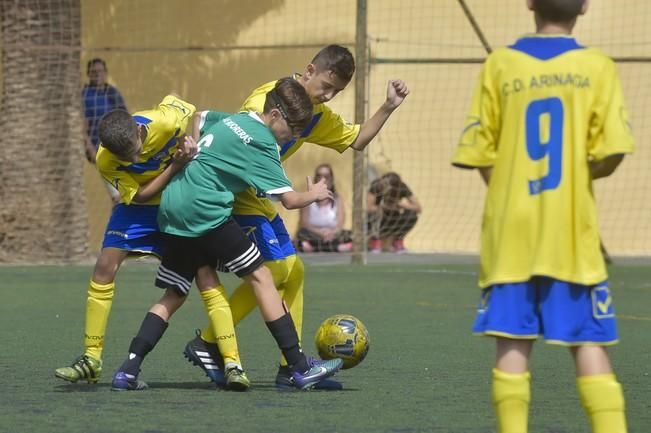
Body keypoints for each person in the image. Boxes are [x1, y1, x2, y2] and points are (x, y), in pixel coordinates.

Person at [451, 1, 633, 432]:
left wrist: (515, 186)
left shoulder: (499, 65)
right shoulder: (598, 66)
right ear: (585, 6)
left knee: (513, 344)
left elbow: (481, 155)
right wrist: (575, 175)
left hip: (510, 232)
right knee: (589, 341)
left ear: (529, 2)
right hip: (570, 234)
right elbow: (612, 152)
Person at [182, 45, 409, 390]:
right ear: (309, 70)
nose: (329, 96)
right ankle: (212, 343)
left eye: (337, 92)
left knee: (294, 270)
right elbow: (239, 143)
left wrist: (389, 106)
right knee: (276, 269)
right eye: (326, 86)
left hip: (258, 197)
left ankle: (291, 367)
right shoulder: (267, 99)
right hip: (235, 193)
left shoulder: (317, 114)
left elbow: (359, 139)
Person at [110, 78, 343, 391]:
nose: (293, 136)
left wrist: (195, 156)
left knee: (175, 294)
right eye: (293, 129)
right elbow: (288, 200)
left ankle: (127, 370)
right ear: (275, 115)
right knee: (262, 278)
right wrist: (314, 192)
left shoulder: (238, 118)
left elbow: (201, 116)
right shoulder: (264, 144)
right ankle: (298, 368)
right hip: (205, 212)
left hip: (173, 206)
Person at [54, 94, 197, 385]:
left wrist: (191, 149)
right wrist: (175, 166)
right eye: (126, 158)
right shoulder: (104, 158)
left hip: (174, 204)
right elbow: (140, 195)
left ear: (138, 131)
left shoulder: (166, 120)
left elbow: (192, 111)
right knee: (104, 268)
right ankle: (92, 358)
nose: (133, 160)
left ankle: (227, 357)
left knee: (191, 282)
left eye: (135, 150)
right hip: (136, 211)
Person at [296, 163, 352, 253]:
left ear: (331, 179)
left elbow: (340, 223)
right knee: (302, 233)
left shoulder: (337, 198)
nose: (323, 179)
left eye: (326, 176)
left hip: (333, 235)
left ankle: (315, 248)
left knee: (350, 235)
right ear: (315, 178)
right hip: (313, 234)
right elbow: (304, 223)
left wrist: (332, 233)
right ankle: (335, 247)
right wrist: (320, 233)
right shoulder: (308, 197)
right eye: (319, 176)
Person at [82, 58, 127, 164]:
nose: (97, 74)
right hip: (96, 151)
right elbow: (82, 128)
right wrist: (92, 153)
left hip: (116, 150)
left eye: (100, 71)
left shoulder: (113, 93)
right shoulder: (85, 95)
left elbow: (125, 119)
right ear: (88, 74)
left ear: (105, 73)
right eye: (93, 72)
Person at [367, 171, 421, 253]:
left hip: (394, 218)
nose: (382, 185)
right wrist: (382, 207)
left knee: (412, 215)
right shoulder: (376, 186)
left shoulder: (402, 187)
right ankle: (376, 242)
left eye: (386, 184)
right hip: (379, 219)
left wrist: (401, 205)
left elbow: (418, 208)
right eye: (382, 182)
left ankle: (398, 241)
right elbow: (368, 208)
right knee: (376, 213)